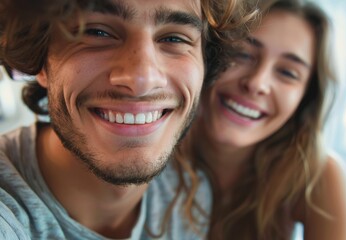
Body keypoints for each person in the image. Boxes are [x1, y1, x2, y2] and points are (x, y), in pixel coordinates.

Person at [0, 0, 257, 239]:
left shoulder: (190, 196)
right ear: (42, 60)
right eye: (96, 32)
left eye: (173, 38)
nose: (141, 80)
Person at [175, 0, 346, 239]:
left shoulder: (317, 175)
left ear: (306, 98)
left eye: (287, 72)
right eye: (242, 54)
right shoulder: (154, 146)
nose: (256, 83)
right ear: (210, 56)